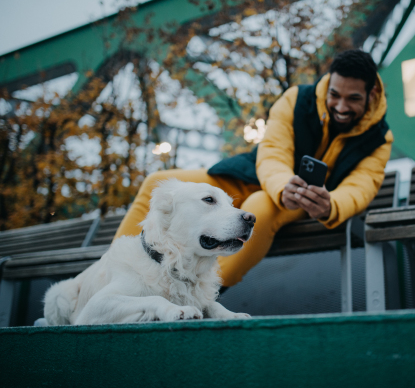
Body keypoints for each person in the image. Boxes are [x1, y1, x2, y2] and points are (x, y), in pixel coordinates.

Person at [114, 49, 393, 290]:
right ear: (329, 84)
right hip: (257, 176)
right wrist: (284, 185)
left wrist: (330, 205)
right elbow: (273, 151)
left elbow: (360, 187)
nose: (341, 106)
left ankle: (206, 295)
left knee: (258, 206)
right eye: (335, 94)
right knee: (157, 181)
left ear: (373, 93)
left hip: (303, 202)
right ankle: (111, 273)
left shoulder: (380, 139)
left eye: (353, 99)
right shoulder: (296, 98)